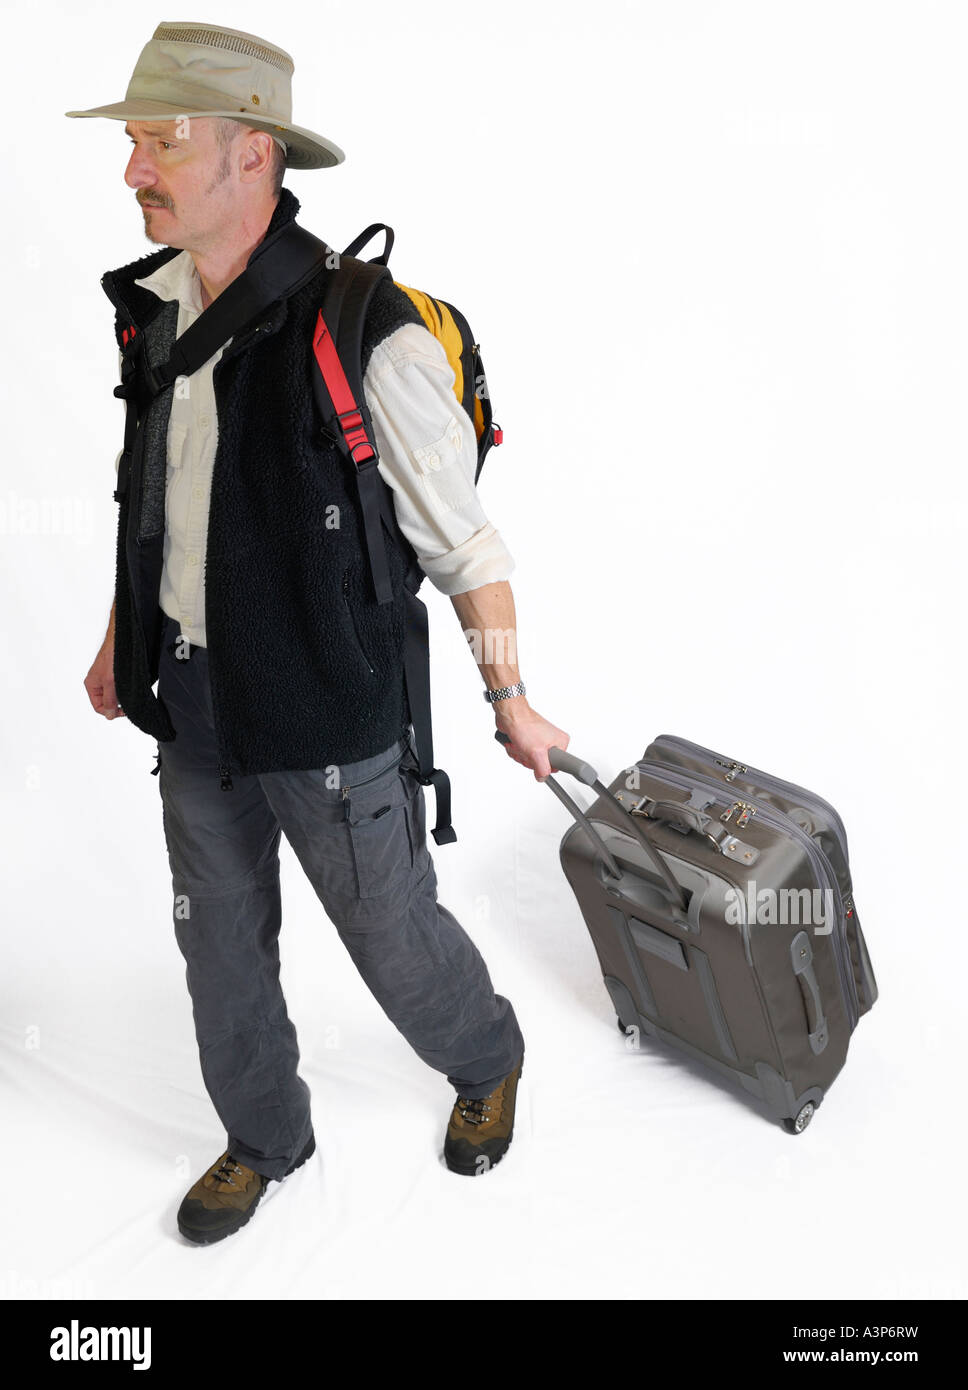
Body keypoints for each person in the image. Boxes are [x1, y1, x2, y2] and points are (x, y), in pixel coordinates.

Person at [71, 21, 570, 1246]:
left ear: (253, 153)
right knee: (219, 942)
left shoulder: (367, 332)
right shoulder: (158, 312)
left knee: (389, 931)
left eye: (160, 142)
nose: (134, 169)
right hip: (190, 702)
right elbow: (156, 498)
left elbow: (471, 551)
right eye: (133, 141)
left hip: (325, 717)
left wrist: (509, 699)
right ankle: (262, 1136)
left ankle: (486, 1056)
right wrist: (118, 637)